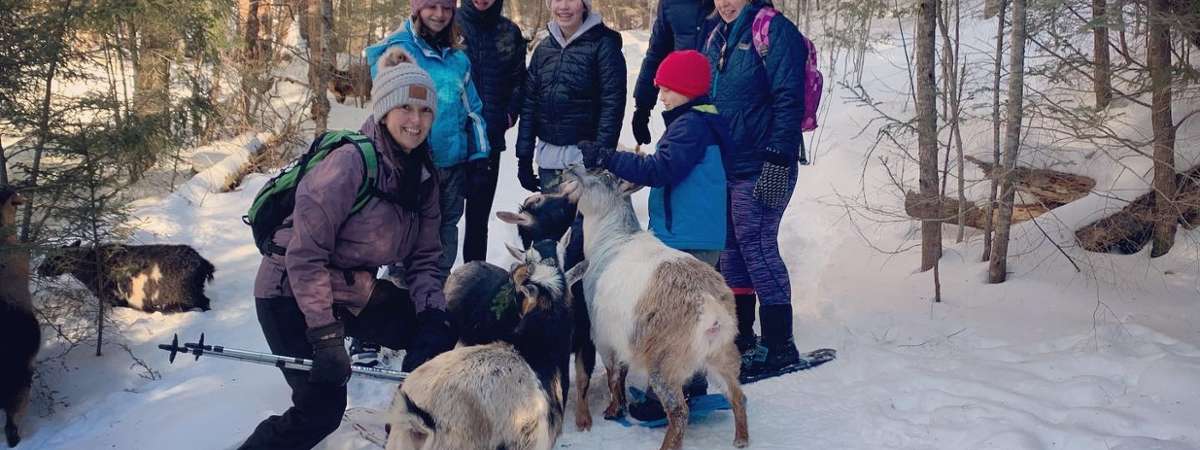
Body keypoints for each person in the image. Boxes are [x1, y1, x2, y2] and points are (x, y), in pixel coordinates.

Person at [239, 49, 457, 450]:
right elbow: (304, 257)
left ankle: (409, 424)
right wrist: (325, 338)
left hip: (351, 291)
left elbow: (425, 258)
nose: (416, 120)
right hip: (289, 295)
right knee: (320, 411)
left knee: (437, 334)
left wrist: (431, 317)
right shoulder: (348, 164)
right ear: (384, 111)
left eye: (425, 110)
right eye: (405, 108)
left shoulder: (422, 176)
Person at [580, 49, 730, 421]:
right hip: (695, 231)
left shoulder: (691, 125)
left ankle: (660, 394)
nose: (661, 95)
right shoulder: (696, 122)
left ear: (689, 90)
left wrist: (608, 158)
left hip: (687, 235)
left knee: (670, 318)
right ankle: (692, 383)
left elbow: (662, 169)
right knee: (691, 315)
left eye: (668, 88)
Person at [703, 0, 808, 381]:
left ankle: (780, 344)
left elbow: (788, 98)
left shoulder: (775, 31)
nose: (726, 3)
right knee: (731, 248)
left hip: (766, 162)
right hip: (727, 165)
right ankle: (743, 336)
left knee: (757, 244)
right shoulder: (718, 35)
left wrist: (779, 155)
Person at [366, 0, 491, 279]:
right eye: (431, 6)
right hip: (412, 166)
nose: (439, 15)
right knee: (408, 238)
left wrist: (479, 158)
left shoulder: (458, 59)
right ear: (416, 8)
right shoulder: (398, 51)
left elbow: (474, 112)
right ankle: (399, 301)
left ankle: (435, 299)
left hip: (452, 167)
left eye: (447, 8)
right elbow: (385, 113)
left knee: (445, 233)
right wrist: (397, 161)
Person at [516, 0, 626, 193]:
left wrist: (600, 154)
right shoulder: (543, 50)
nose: (563, 7)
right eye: (557, 0)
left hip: (586, 164)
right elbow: (529, 105)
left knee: (583, 224)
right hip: (549, 163)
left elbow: (612, 104)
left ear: (584, 5)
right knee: (551, 223)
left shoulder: (604, 46)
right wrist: (524, 158)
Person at [456, 0, 526, 263]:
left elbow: (519, 80)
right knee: (437, 219)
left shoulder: (509, 32)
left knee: (477, 220)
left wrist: (507, 116)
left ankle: (473, 280)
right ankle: (432, 289)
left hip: (488, 141)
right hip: (450, 139)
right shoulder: (450, 25)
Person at [629, 0, 716, 146]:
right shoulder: (670, 3)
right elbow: (656, 54)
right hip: (683, 107)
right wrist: (642, 106)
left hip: (728, 104)